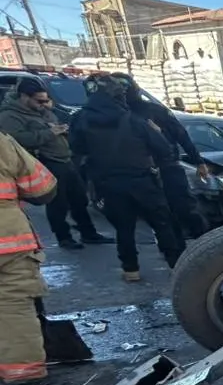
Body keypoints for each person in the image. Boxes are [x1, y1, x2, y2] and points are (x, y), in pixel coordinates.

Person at [70, 74, 185, 282]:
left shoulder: (80, 119)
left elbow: (76, 148)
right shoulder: (133, 120)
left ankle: (131, 269)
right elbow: (163, 148)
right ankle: (175, 265)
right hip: (142, 180)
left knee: (124, 228)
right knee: (162, 224)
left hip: (107, 183)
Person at [0, 78, 112, 250]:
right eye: (40, 101)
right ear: (24, 97)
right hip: (46, 161)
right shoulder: (10, 116)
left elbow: (53, 123)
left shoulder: (41, 110)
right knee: (57, 203)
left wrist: (60, 129)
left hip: (64, 158)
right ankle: (64, 237)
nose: (44, 104)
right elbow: (16, 141)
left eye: (46, 100)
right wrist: (49, 133)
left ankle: (88, 233)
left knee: (79, 198)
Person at [111, 73, 209, 240]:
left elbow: (181, 135)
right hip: (141, 172)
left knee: (184, 207)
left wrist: (198, 162)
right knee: (159, 214)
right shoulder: (115, 116)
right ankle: (172, 246)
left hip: (167, 166)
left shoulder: (154, 110)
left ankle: (202, 239)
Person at [0, 131, 58, 385]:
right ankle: (27, 376)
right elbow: (43, 187)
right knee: (13, 305)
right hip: (8, 241)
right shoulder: (2, 141)